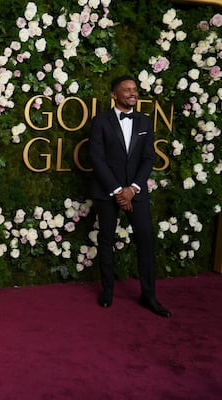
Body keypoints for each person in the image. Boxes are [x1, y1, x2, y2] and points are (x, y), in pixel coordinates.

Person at [89, 75, 171, 318]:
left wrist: (132, 188)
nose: (132, 93)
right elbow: (97, 159)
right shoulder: (100, 121)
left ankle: (149, 296)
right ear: (114, 95)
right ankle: (108, 292)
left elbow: (148, 159)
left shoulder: (145, 121)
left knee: (146, 241)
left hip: (136, 191)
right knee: (106, 240)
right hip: (107, 191)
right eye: (127, 90)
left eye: (135, 89)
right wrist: (117, 190)